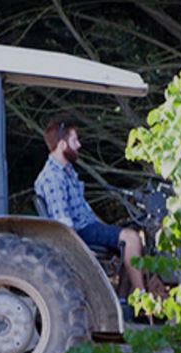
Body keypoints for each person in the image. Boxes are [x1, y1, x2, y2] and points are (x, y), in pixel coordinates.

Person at [34, 116, 145, 293]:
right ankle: (144, 301)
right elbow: (62, 224)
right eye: (74, 140)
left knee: (130, 235)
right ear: (63, 145)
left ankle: (124, 300)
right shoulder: (52, 178)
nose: (78, 145)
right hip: (80, 233)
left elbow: (86, 211)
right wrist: (81, 252)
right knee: (131, 238)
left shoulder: (67, 172)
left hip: (88, 227)